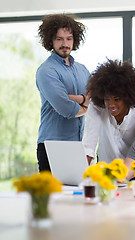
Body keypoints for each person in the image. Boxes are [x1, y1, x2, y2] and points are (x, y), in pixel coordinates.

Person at [36, 14, 90, 172]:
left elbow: (97, 101)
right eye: (59, 39)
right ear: (50, 41)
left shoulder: (83, 69)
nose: (65, 44)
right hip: (52, 146)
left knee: (79, 196)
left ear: (75, 40)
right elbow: (66, 109)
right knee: (52, 196)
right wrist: (85, 104)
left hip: (79, 146)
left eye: (69, 38)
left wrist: (79, 99)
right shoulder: (46, 70)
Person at [82, 59, 135, 165]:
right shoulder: (97, 106)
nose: (111, 104)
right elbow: (89, 144)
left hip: (133, 170)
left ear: (128, 97)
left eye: (117, 99)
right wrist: (81, 175)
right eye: (107, 99)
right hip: (104, 170)